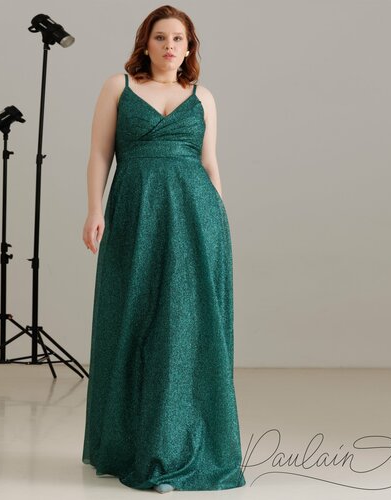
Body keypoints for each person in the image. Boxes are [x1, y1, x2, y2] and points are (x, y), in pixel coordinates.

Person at [81, 4, 246, 493]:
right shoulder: (118, 87)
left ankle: (173, 448)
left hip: (197, 219)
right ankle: (129, 444)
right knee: (133, 319)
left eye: (178, 38)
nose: (169, 46)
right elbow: (100, 154)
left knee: (184, 327)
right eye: (160, 37)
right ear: (145, 43)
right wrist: (94, 210)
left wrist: (219, 223)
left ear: (189, 47)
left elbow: (210, 164)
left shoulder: (203, 98)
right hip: (136, 214)